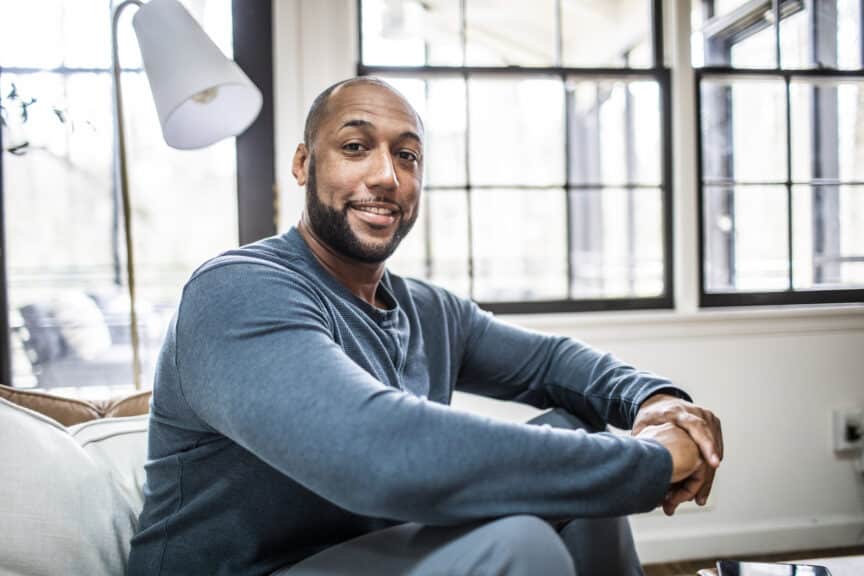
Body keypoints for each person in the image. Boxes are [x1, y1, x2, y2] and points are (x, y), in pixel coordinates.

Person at [128, 76, 723, 576]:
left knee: (573, 455)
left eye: (406, 155)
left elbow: (553, 364)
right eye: (356, 147)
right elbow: (378, 453)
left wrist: (655, 401)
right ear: (304, 165)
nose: (387, 175)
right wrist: (653, 464)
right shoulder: (237, 290)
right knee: (522, 542)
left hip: (363, 557)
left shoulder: (427, 311)